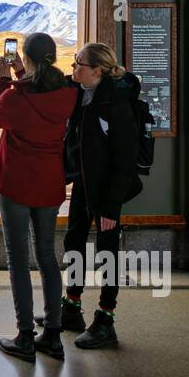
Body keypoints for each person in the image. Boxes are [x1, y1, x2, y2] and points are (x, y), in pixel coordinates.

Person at [0, 33, 78, 362]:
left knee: (19, 261)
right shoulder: (67, 93)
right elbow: (41, 94)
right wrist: (23, 75)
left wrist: (3, 80)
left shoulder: (15, 97)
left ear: (27, 58)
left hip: (16, 185)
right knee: (48, 258)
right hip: (49, 185)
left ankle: (25, 336)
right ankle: (52, 335)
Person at [61, 41, 143, 350]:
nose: (73, 69)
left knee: (107, 252)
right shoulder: (84, 93)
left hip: (108, 191)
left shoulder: (115, 103)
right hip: (84, 184)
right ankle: (72, 306)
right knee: (75, 240)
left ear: (97, 70)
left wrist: (110, 207)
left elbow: (125, 159)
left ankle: (106, 319)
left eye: (79, 64)